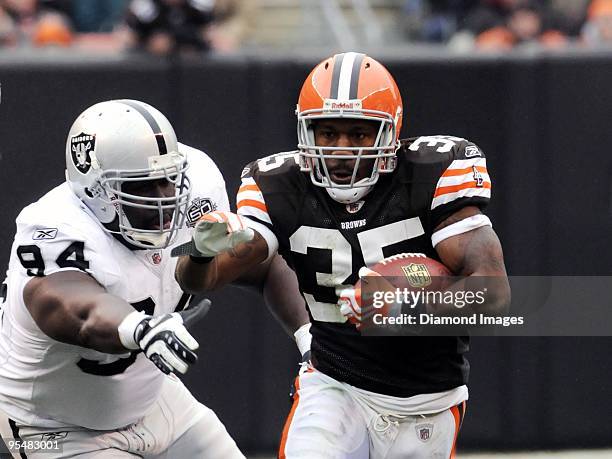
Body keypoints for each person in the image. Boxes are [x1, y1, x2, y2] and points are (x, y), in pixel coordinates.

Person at [174, 52, 511, 458]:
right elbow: (200, 280)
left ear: (390, 133)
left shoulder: (433, 173)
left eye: (359, 134)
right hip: (334, 384)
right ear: (305, 131)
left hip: (426, 400)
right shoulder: (280, 185)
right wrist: (201, 251)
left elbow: (494, 293)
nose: (341, 150)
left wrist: (409, 305)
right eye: (327, 134)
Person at [0, 99, 251, 458]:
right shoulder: (55, 225)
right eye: (144, 186)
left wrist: (201, 253)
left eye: (168, 180)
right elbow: (79, 309)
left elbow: (193, 278)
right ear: (96, 191)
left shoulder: (197, 181)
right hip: (54, 424)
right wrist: (140, 329)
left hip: (153, 401)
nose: (165, 198)